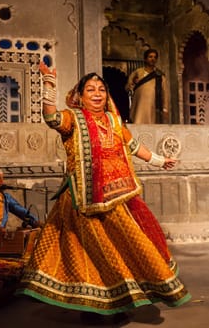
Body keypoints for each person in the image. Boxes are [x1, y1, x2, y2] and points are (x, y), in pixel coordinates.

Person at [17, 63, 191, 320]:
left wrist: (158, 160)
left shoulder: (113, 120)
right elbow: (51, 117)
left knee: (121, 251)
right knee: (87, 254)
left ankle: (119, 301)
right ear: (80, 96)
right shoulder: (73, 118)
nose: (97, 93)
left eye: (101, 89)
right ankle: (92, 305)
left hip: (116, 199)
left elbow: (132, 145)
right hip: (82, 202)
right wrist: (49, 85)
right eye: (90, 89)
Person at [0, 167, 41, 242]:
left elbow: (21, 211)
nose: (1, 181)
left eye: (2, 178)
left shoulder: (5, 198)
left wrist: (35, 221)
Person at [126, 48, 169, 124]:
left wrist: (165, 108)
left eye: (155, 57)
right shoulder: (138, 72)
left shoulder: (160, 75)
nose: (153, 59)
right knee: (138, 121)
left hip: (153, 106)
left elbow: (164, 92)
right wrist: (134, 82)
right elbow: (128, 87)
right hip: (139, 104)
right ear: (145, 59)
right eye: (150, 57)